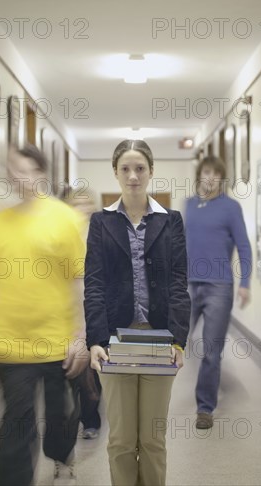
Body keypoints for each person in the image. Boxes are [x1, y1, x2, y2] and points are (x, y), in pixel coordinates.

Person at [0, 145, 88, 486]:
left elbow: (77, 279)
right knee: (18, 421)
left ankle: (62, 455)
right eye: (13, 170)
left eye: (26, 170)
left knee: (60, 412)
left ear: (41, 175)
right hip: (10, 342)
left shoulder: (64, 218)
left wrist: (80, 336)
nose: (18, 177)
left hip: (57, 339)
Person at [84, 139, 191, 486]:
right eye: (125, 169)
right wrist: (95, 340)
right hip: (116, 341)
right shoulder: (102, 222)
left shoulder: (171, 221)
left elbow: (178, 282)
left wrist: (179, 341)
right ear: (115, 172)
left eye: (140, 168)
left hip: (159, 340)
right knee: (121, 440)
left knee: (152, 440)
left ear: (151, 172)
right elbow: (94, 283)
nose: (133, 176)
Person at [185, 156, 252, 429]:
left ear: (221, 178)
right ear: (199, 175)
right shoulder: (189, 205)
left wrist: (245, 283)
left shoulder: (231, 208)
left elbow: (244, 247)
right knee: (172, 343)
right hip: (187, 285)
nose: (210, 178)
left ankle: (205, 408)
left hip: (219, 288)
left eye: (215, 173)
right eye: (206, 172)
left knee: (211, 351)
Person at [61, 186, 102, 440]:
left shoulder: (97, 234)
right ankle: (68, 418)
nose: (83, 209)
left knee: (90, 364)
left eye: (87, 204)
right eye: (77, 204)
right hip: (63, 310)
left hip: (92, 305)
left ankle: (91, 418)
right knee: (68, 367)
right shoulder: (60, 232)